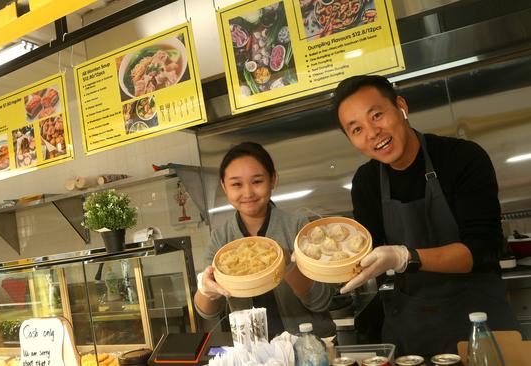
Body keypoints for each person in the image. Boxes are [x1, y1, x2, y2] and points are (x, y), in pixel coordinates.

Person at [333, 75, 520, 357]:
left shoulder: (461, 157)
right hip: (414, 332)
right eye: (357, 129)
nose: (372, 132)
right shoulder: (367, 181)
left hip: (480, 327)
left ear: (401, 106)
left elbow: (481, 250)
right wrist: (322, 259)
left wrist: (405, 257)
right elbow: (364, 250)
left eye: (377, 115)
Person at [194, 142, 336, 338]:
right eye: (236, 184)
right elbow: (207, 312)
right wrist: (206, 288)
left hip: (307, 347)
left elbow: (322, 301)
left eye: (257, 181)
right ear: (224, 187)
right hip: (254, 353)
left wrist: (288, 266)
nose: (248, 193)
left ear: (273, 180)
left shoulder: (298, 227)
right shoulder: (221, 238)